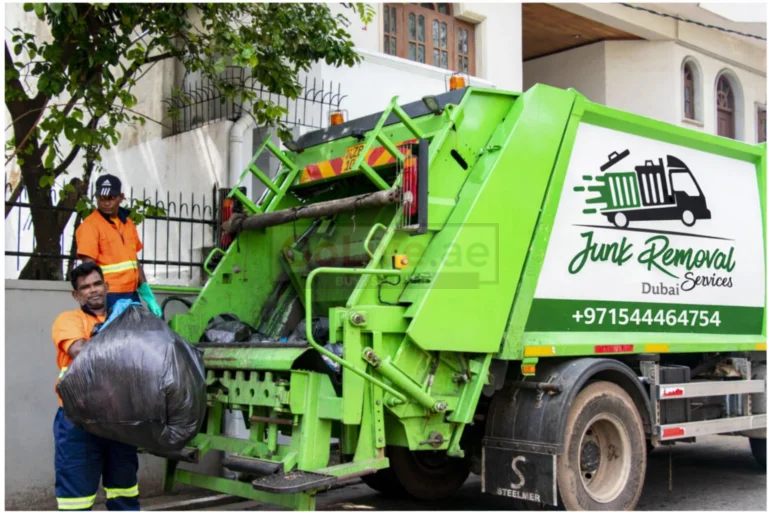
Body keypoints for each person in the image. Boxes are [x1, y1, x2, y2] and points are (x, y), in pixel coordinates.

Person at [51, 262, 140, 511]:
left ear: (106, 286)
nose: (92, 290)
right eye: (85, 287)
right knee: (76, 500)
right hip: (79, 422)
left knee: (125, 493)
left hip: (120, 419)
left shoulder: (126, 317)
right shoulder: (68, 320)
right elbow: (80, 350)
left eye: (97, 284)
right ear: (76, 295)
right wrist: (122, 335)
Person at [75, 174, 162, 316]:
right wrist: (97, 302)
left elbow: (135, 262)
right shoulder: (90, 226)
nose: (106, 203)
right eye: (102, 198)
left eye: (111, 198)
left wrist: (148, 296)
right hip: (108, 296)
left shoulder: (128, 224)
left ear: (121, 197)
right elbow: (88, 268)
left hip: (131, 294)